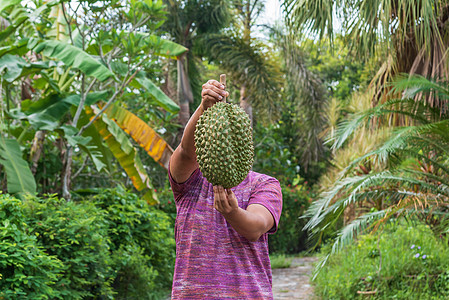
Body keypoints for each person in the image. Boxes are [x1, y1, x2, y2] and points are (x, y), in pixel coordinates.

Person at [168, 79, 283, 299]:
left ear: (244, 142)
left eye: (231, 135)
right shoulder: (190, 183)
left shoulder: (264, 184)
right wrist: (204, 108)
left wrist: (233, 213)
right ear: (206, 140)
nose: (224, 139)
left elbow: (256, 227)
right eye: (217, 134)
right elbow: (185, 152)